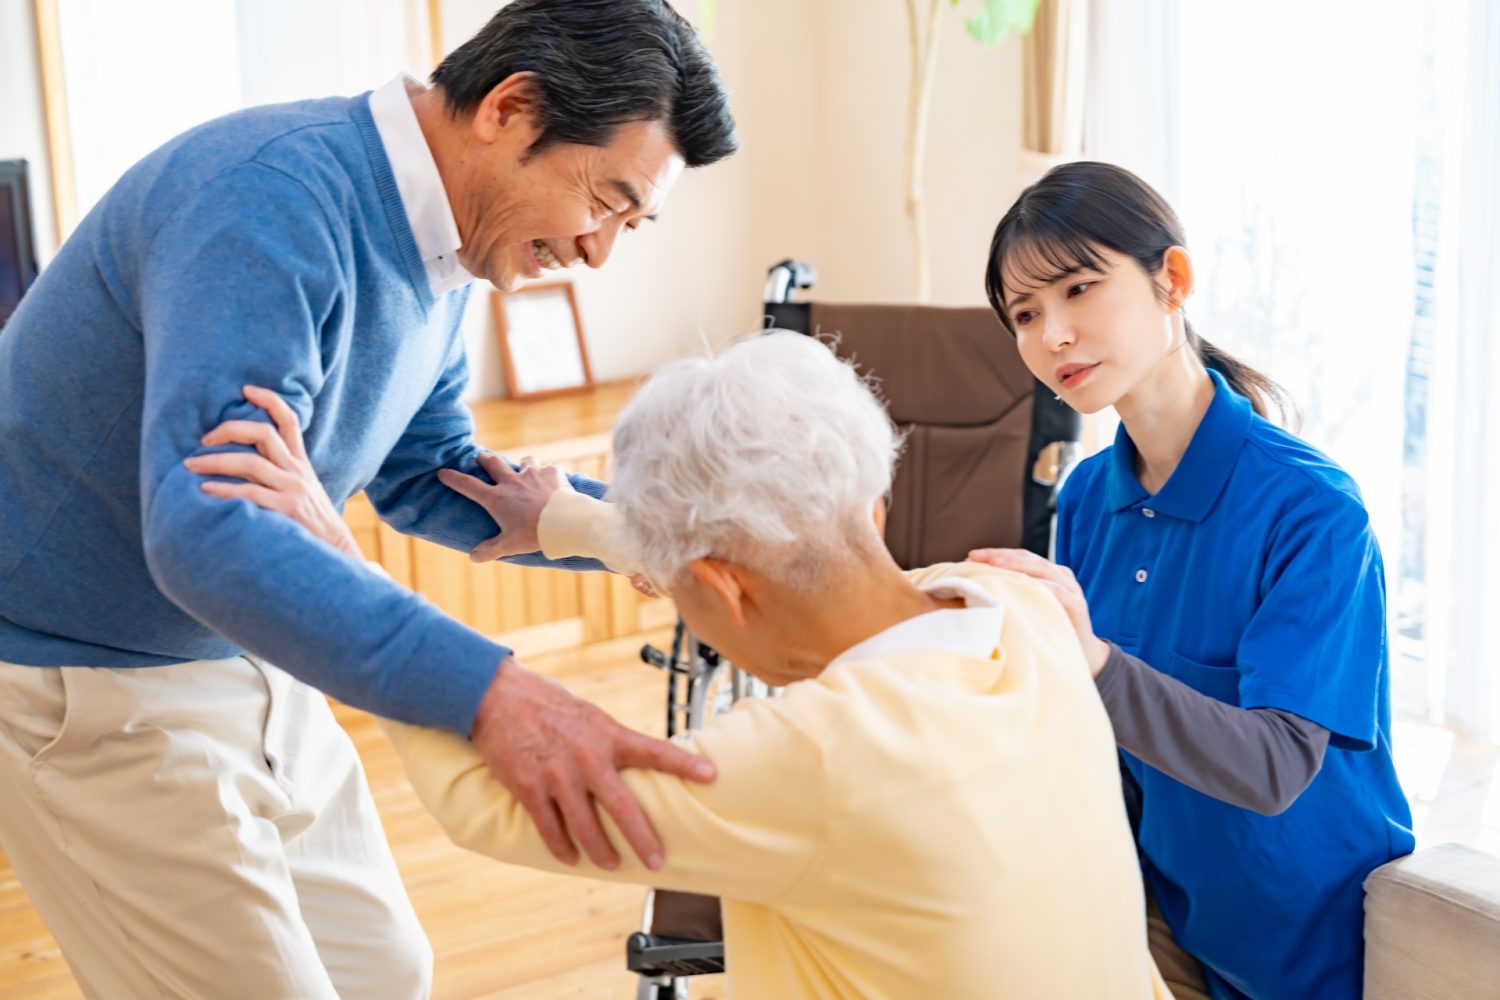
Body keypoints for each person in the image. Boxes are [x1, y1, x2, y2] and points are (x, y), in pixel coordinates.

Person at [0, 2, 736, 996]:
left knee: (388, 970)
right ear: (512, 110)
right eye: (605, 201)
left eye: (630, 223)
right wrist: (493, 693)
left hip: (250, 646)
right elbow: (209, 529)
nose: (601, 251)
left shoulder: (450, 246)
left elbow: (424, 463)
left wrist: (643, 534)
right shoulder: (270, 202)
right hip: (86, 681)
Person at [200, 332, 1172, 999]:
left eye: (674, 587)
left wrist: (337, 566)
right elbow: (791, 548)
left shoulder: (806, 760)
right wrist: (575, 521)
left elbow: (489, 802)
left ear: (723, 589)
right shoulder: (1024, 609)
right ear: (874, 503)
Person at [965, 161, 1414, 999]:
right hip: (1163, 915)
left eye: (1078, 290)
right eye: (1024, 314)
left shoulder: (1314, 512)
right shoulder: (1088, 498)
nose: (1052, 334)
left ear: (1171, 280)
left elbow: (1274, 769)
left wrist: (1092, 659)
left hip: (1311, 949)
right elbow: (1103, 743)